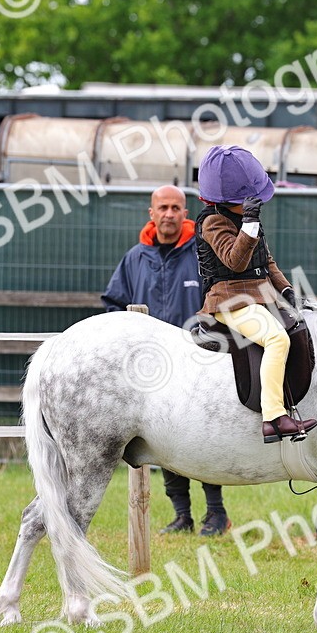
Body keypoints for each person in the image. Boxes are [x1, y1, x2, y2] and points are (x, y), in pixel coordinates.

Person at [103, 185, 231, 537]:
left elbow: (220, 298)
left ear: (185, 213)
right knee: (163, 440)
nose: (169, 214)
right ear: (152, 213)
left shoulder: (202, 253)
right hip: (152, 369)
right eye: (163, 208)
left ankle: (216, 513)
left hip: (198, 362)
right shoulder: (135, 258)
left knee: (203, 437)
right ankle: (181, 515)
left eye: (176, 208)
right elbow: (114, 304)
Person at [195, 145, 316, 443]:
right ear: (229, 201)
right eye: (249, 200)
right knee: (276, 339)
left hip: (260, 295)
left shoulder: (247, 219)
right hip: (230, 300)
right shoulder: (213, 222)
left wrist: (285, 288)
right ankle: (273, 418)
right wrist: (249, 224)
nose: (257, 203)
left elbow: (266, 260)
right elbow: (234, 261)